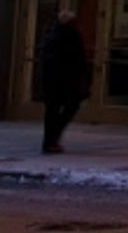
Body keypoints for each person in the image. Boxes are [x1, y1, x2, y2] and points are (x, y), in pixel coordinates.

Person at [40, 10, 90, 154]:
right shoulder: (72, 36)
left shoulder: (50, 35)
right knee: (70, 106)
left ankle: (50, 140)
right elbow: (78, 60)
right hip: (67, 81)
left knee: (52, 112)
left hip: (51, 81)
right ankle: (53, 138)